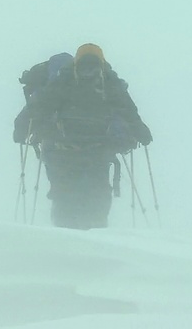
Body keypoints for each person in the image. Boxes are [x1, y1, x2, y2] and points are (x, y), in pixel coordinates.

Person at [26, 43, 152, 229]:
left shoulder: (65, 81)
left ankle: (68, 241)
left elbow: (41, 109)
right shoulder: (108, 83)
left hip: (65, 153)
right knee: (97, 200)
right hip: (96, 153)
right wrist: (140, 130)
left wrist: (34, 130)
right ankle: (93, 240)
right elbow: (127, 110)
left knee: (66, 200)